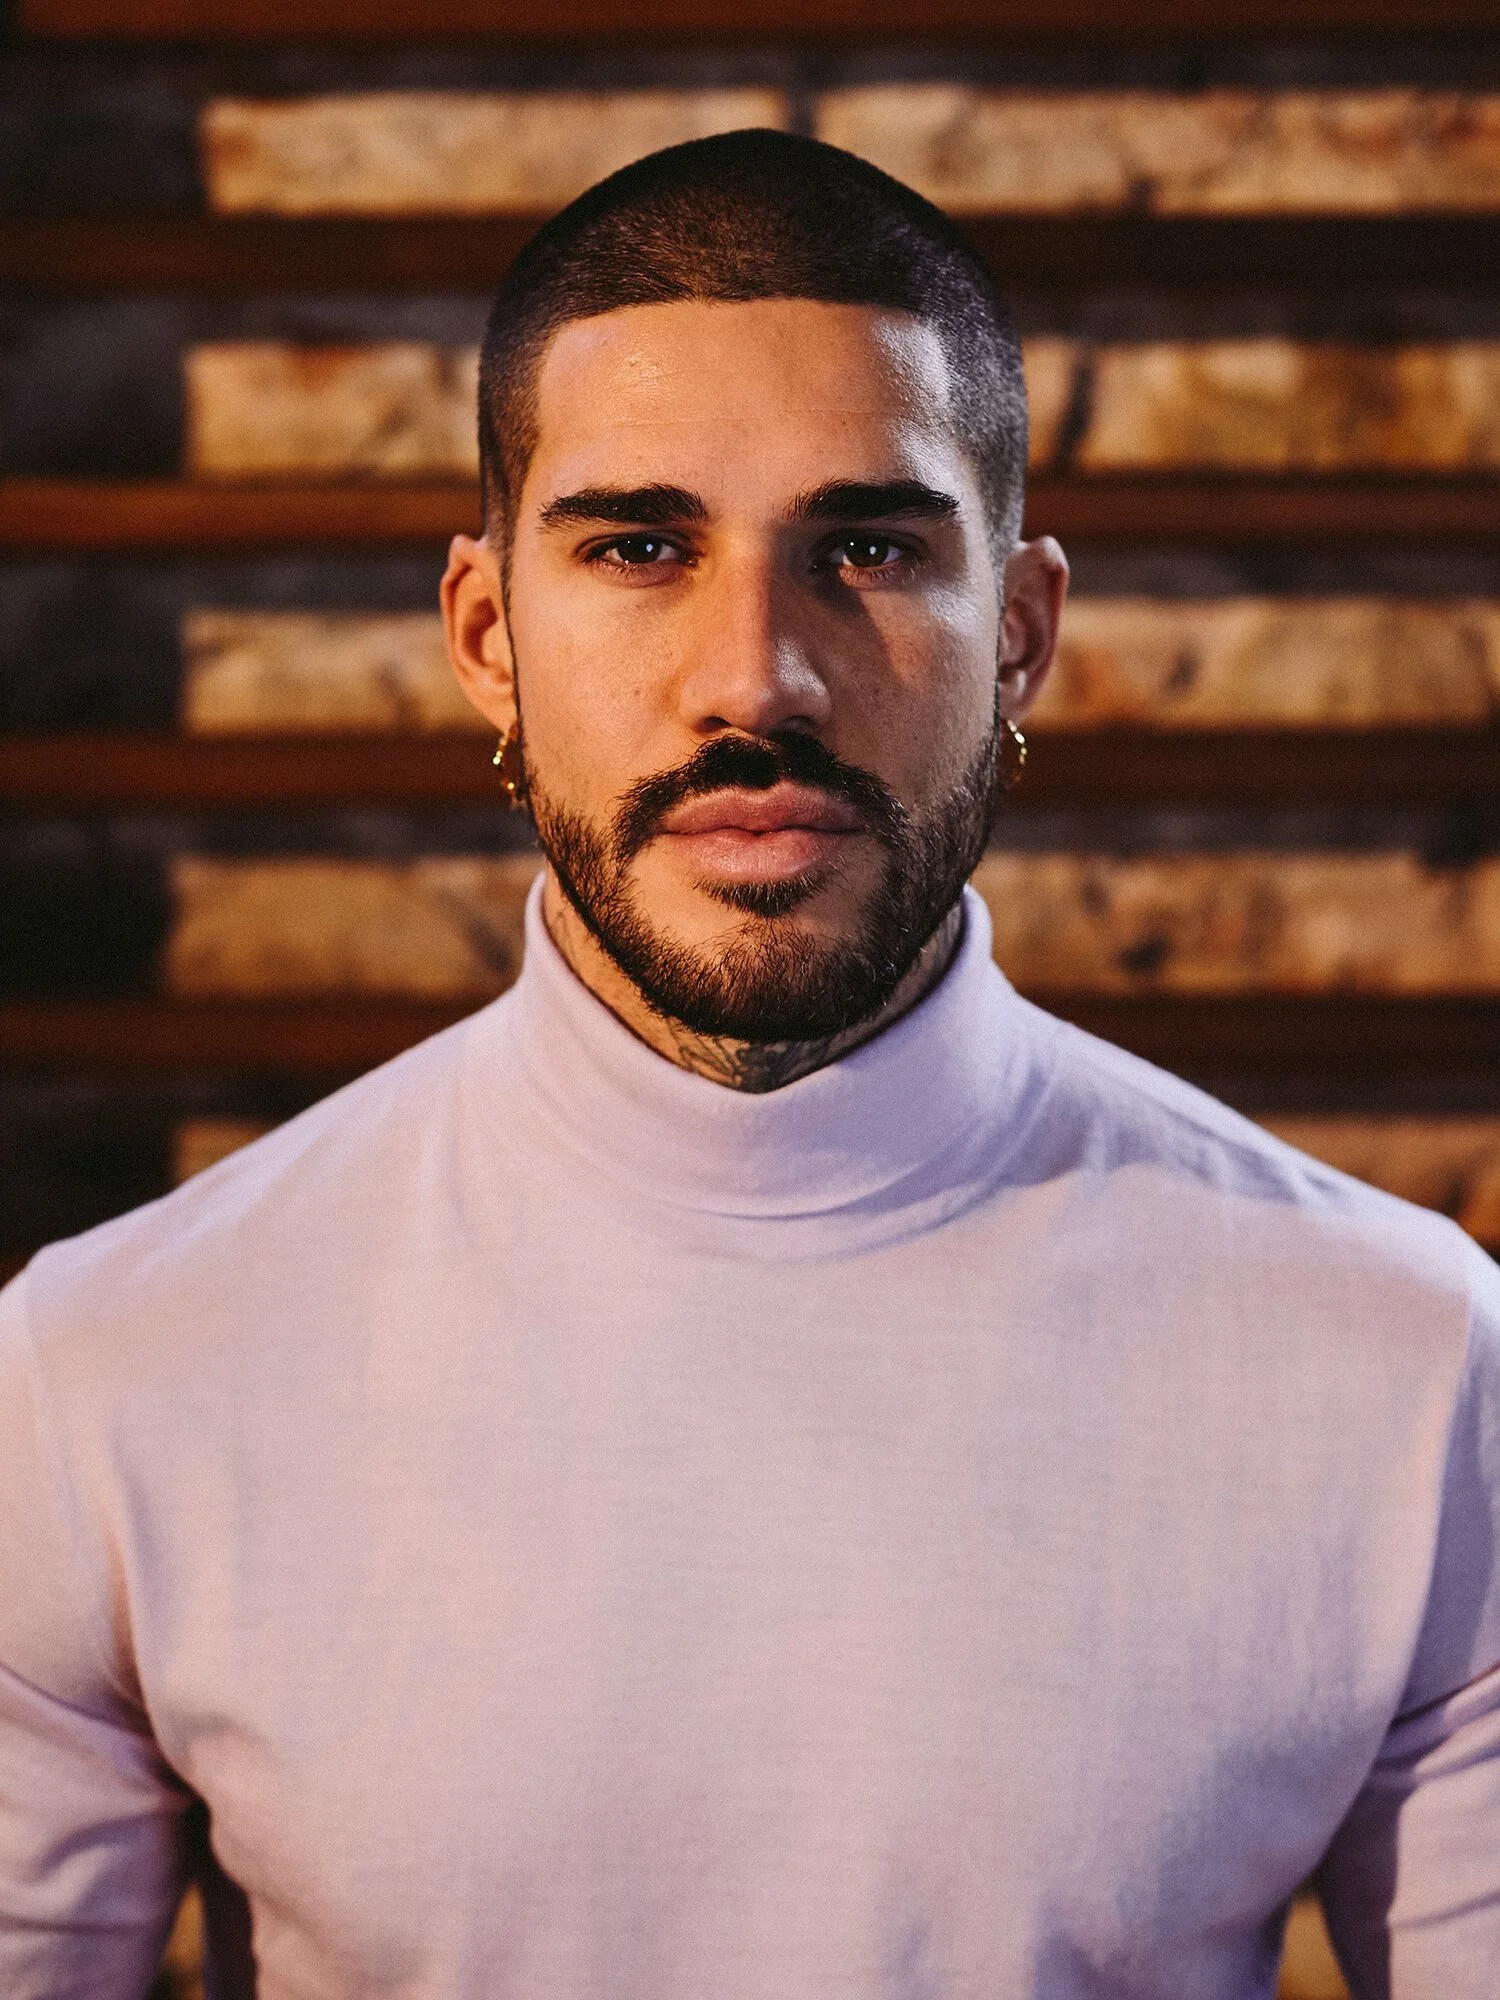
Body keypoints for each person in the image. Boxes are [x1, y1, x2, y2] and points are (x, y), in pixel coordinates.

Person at [1, 129, 1497, 2000]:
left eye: (866, 546)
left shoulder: (1412, 1362)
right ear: (486, 635)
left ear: (1021, 634)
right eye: (638, 546)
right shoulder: (107, 1368)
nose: (755, 679)